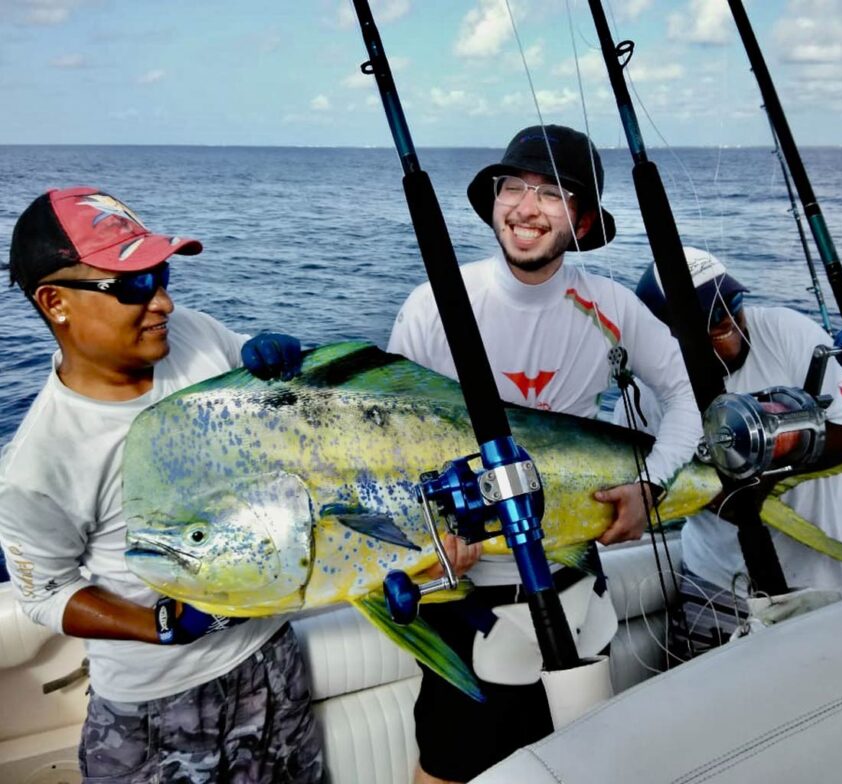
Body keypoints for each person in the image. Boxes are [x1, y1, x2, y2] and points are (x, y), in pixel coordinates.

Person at [388, 125, 701, 783]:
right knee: (450, 767)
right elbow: (394, 445)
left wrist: (655, 485)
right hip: (463, 589)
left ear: (581, 218)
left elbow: (691, 399)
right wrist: (428, 532)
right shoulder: (432, 305)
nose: (526, 208)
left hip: (572, 577)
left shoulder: (612, 306)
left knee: (573, 758)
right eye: (514, 188)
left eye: (552, 193)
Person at [0, 187, 324, 783]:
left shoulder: (196, 337)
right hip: (157, 699)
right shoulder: (38, 463)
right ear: (56, 302)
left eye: (161, 273)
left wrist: (282, 370)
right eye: (132, 285)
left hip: (269, 655)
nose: (165, 303)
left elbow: (281, 422)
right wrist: (161, 627)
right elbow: (44, 593)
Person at [621, 246, 842, 650]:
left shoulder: (787, 332)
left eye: (732, 302)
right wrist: (711, 497)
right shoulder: (639, 396)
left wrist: (770, 471)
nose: (728, 320)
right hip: (719, 584)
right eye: (708, 316)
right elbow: (639, 480)